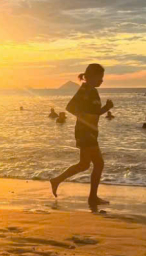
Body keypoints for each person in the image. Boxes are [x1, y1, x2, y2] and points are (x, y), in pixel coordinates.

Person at [49, 64, 113, 206]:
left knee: (84, 164)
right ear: (90, 77)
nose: (101, 80)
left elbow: (94, 113)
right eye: (99, 77)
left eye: (102, 78)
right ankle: (92, 197)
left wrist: (106, 108)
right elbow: (70, 107)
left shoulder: (92, 91)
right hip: (85, 132)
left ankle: (56, 180)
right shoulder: (85, 90)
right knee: (99, 164)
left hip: (91, 132)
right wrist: (83, 117)